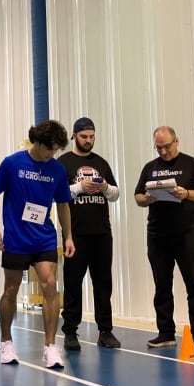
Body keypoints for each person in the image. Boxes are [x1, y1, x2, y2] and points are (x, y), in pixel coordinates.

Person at [0, 120, 76, 368]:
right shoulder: (12, 163)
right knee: (11, 289)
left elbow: (63, 204)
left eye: (57, 150)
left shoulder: (57, 170)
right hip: (16, 238)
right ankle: (6, 341)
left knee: (50, 285)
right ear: (38, 142)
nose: (53, 154)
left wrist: (67, 236)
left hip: (44, 237)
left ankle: (50, 346)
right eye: (51, 149)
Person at [134, 126, 194, 349]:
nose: (163, 152)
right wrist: (148, 198)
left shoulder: (192, 165)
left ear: (176, 142)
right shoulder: (150, 167)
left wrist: (186, 193)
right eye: (159, 148)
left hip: (188, 233)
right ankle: (166, 332)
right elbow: (137, 196)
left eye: (167, 146)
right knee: (162, 285)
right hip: (158, 235)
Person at [57, 117, 121, 350]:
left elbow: (115, 194)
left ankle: (105, 331)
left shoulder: (101, 163)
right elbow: (57, 194)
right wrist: (79, 188)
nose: (88, 141)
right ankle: (71, 332)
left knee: (103, 283)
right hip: (75, 234)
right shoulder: (62, 163)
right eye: (84, 137)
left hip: (102, 233)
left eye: (92, 137)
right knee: (73, 283)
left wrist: (104, 187)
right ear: (74, 136)